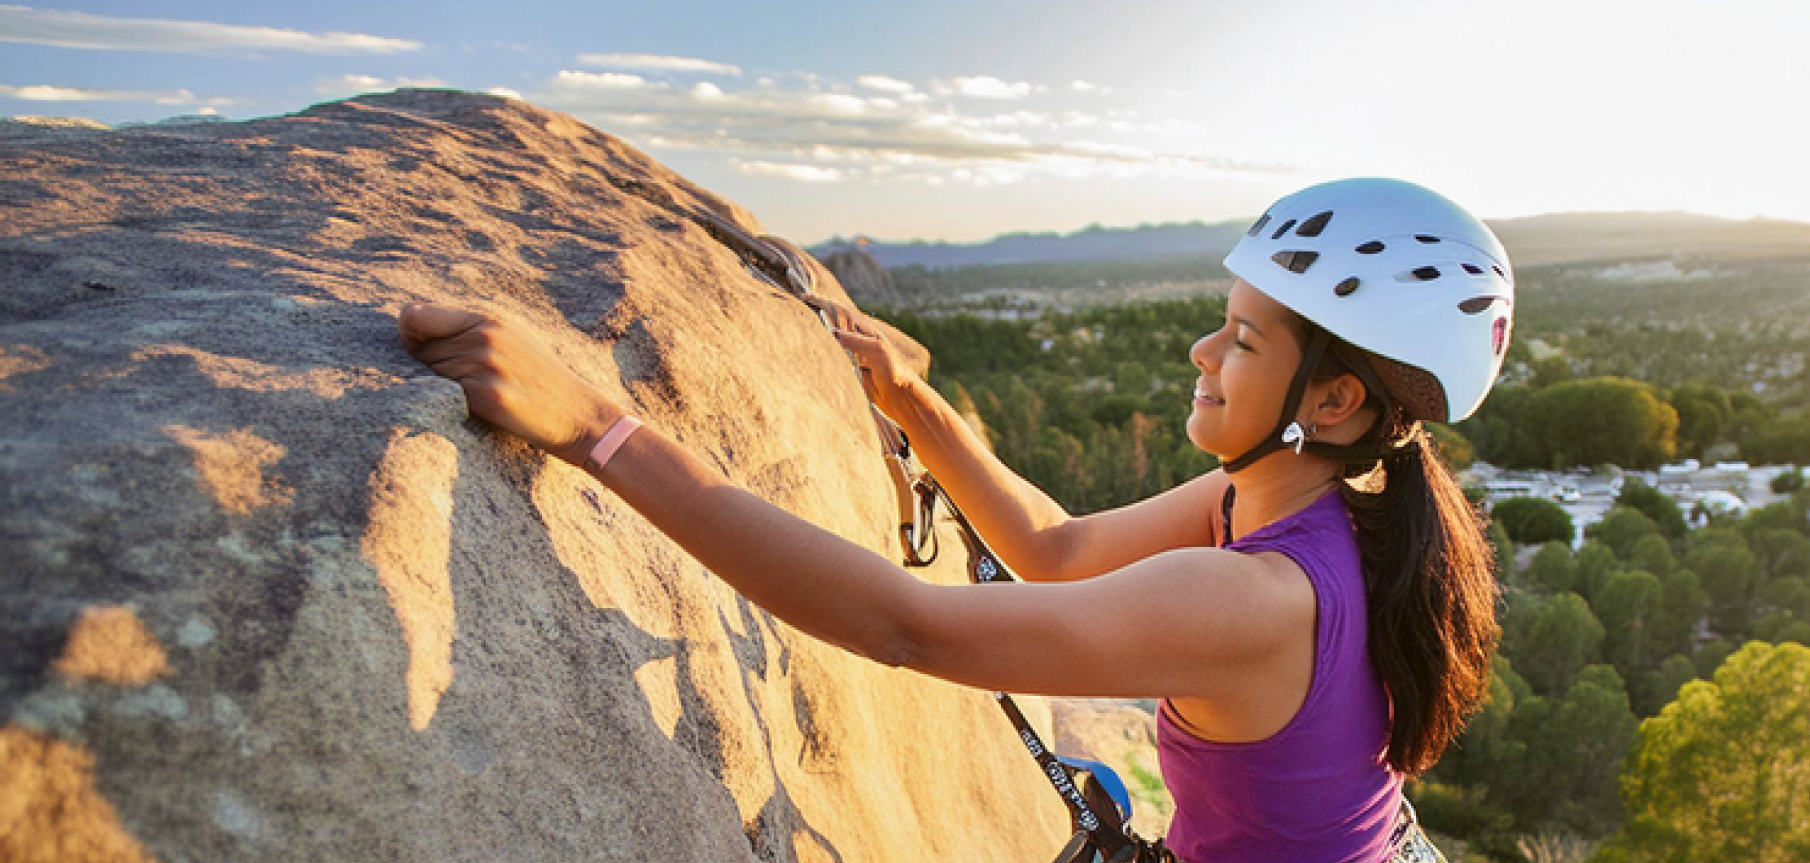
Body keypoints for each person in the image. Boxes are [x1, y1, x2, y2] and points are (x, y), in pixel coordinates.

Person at [399, 178, 1512, 862]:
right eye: (1221, 324)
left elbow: (910, 628)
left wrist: (594, 426)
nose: (1202, 354)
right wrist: (910, 398)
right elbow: (1055, 551)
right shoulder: (1310, 505)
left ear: (1333, 401)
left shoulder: (1256, 596)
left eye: (1244, 341)